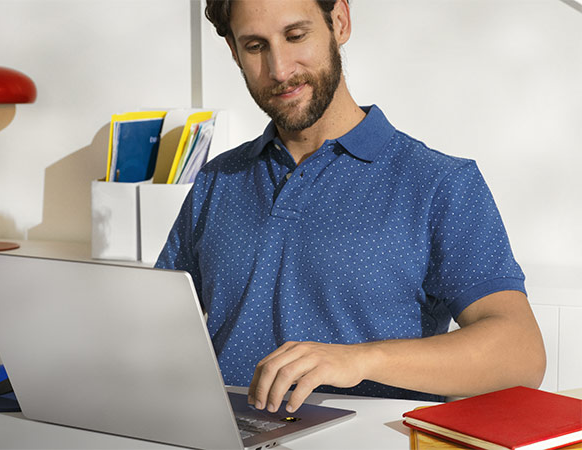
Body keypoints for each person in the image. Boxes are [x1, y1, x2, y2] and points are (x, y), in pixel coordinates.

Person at [155, 0, 546, 413]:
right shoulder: (219, 179)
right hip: (219, 435)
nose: (280, 69)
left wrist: (358, 359)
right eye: (255, 46)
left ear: (339, 22)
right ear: (234, 52)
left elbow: (520, 354)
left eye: (295, 36)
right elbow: (154, 326)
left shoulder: (438, 183)